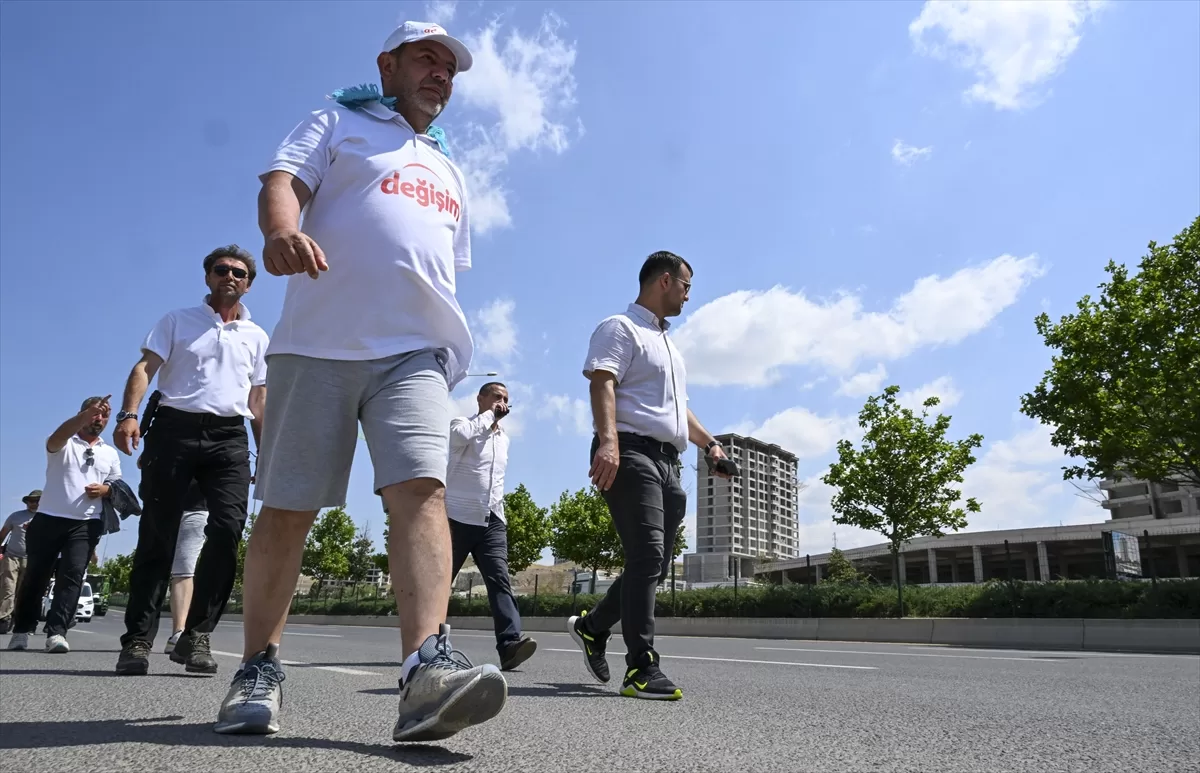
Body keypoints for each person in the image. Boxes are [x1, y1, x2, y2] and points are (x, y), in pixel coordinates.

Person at [219, 20, 506, 741]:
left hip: (415, 352)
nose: (441, 73)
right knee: (289, 505)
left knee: (423, 487)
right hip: (319, 343)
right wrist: (280, 232)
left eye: (450, 67)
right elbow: (281, 181)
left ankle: (424, 670)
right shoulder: (337, 119)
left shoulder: (449, 168)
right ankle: (257, 666)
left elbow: (435, 261)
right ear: (388, 64)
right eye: (426, 59)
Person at [568, 251, 734, 701]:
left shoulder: (669, 346)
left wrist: (711, 445)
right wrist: (608, 442)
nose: (688, 294)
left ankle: (592, 627)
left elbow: (677, 411)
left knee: (654, 563)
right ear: (665, 280)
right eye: (686, 285)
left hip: (668, 461)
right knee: (647, 554)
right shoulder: (620, 328)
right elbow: (602, 381)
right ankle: (641, 667)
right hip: (630, 450)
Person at [113, 245, 268, 676]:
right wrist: (129, 414)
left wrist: (267, 447)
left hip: (229, 438)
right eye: (222, 270)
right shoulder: (177, 320)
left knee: (227, 529)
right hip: (174, 431)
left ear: (249, 283)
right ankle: (138, 640)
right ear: (208, 276)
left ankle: (196, 636)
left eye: (239, 273)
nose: (230, 277)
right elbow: (145, 367)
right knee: (158, 536)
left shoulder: (257, 336)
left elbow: (259, 397)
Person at [7, 397, 122, 653]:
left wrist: (105, 489)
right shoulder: (63, 443)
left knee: (71, 578)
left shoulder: (109, 452)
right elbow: (56, 437)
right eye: (95, 414)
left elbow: (116, 485)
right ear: (82, 414)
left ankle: (57, 633)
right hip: (49, 519)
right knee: (36, 577)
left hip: (85, 524)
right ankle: (22, 630)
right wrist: (84, 416)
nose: (99, 419)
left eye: (105, 415)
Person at [445, 381, 536, 671]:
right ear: (480, 398)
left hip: (492, 520)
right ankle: (425, 641)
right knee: (438, 582)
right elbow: (458, 437)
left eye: (506, 399)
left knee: (500, 581)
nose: (503, 403)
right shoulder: (463, 424)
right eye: (497, 396)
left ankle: (509, 645)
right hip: (456, 517)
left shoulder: (504, 439)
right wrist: (488, 417)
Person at [0, 490, 41, 634]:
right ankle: (3, 618)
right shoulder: (16, 516)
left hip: (31, 559)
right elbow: (3, 534)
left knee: (23, 591)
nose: (33, 503)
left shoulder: (45, 519)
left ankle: (19, 619)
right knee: (8, 588)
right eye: (31, 501)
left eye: (36, 501)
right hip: (12, 556)